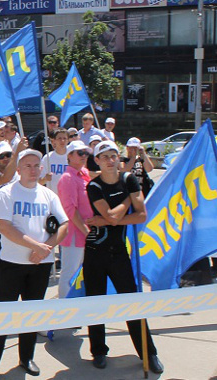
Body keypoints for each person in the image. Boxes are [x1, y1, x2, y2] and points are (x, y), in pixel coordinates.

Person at [0, 149, 69, 380]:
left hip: (40, 264)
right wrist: (35, 246)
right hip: (12, 263)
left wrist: (45, 248)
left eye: (36, 165)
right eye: (27, 165)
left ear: (42, 169)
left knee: (32, 312)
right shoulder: (7, 192)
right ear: (18, 169)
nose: (32, 169)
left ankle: (26, 357)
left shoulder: (48, 195)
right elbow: (6, 228)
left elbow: (63, 225)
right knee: (2, 314)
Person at [83, 140, 163, 374]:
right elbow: (112, 216)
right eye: (104, 156)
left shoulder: (128, 180)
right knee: (95, 302)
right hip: (95, 252)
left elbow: (141, 216)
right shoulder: (94, 186)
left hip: (118, 253)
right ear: (96, 160)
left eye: (113, 155)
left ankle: (149, 353)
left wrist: (112, 217)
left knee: (132, 303)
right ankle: (98, 350)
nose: (110, 160)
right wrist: (127, 201)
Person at [0, 139, 27, 301]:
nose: (6, 159)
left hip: (18, 233)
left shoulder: (20, 175)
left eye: (8, 155)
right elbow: (6, 177)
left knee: (17, 275)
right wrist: (17, 153)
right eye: (1, 156)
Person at [57, 140, 94, 299]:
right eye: (80, 153)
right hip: (74, 234)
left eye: (85, 153)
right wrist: (86, 231)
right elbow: (70, 209)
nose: (83, 156)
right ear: (69, 156)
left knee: (82, 273)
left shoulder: (84, 174)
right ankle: (65, 311)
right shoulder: (67, 178)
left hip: (86, 233)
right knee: (69, 274)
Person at [39, 128, 68, 195]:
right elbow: (39, 182)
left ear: (68, 140)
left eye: (65, 138)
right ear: (54, 141)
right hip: (53, 196)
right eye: (59, 138)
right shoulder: (47, 158)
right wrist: (45, 179)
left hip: (69, 197)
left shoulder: (72, 156)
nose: (62, 141)